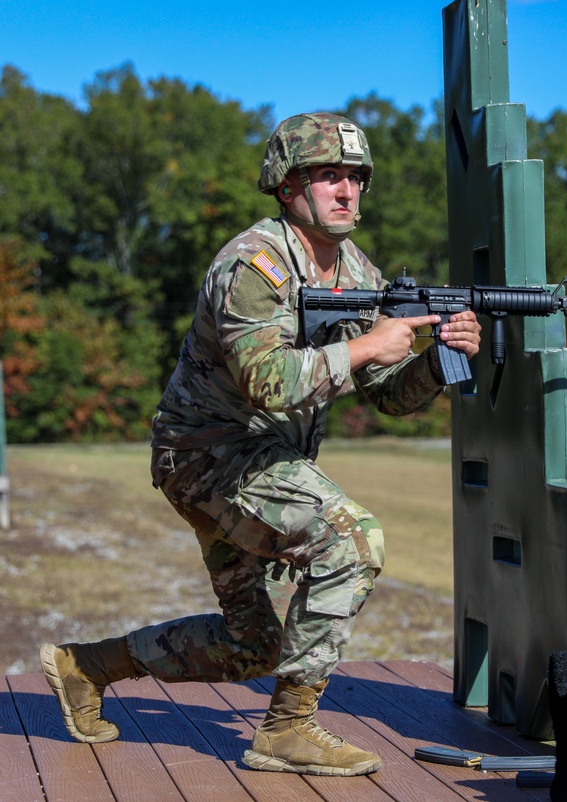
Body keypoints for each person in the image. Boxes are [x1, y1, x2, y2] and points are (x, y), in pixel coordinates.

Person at [38, 112, 481, 777]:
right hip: (208, 457)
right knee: (352, 539)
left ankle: (86, 666)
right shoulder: (253, 264)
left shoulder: (355, 267)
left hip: (264, 461)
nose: (347, 191)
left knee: (253, 649)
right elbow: (268, 380)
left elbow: (388, 394)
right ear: (286, 186)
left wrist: (438, 359)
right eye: (328, 175)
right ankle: (287, 731)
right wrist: (365, 344)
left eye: (356, 177)